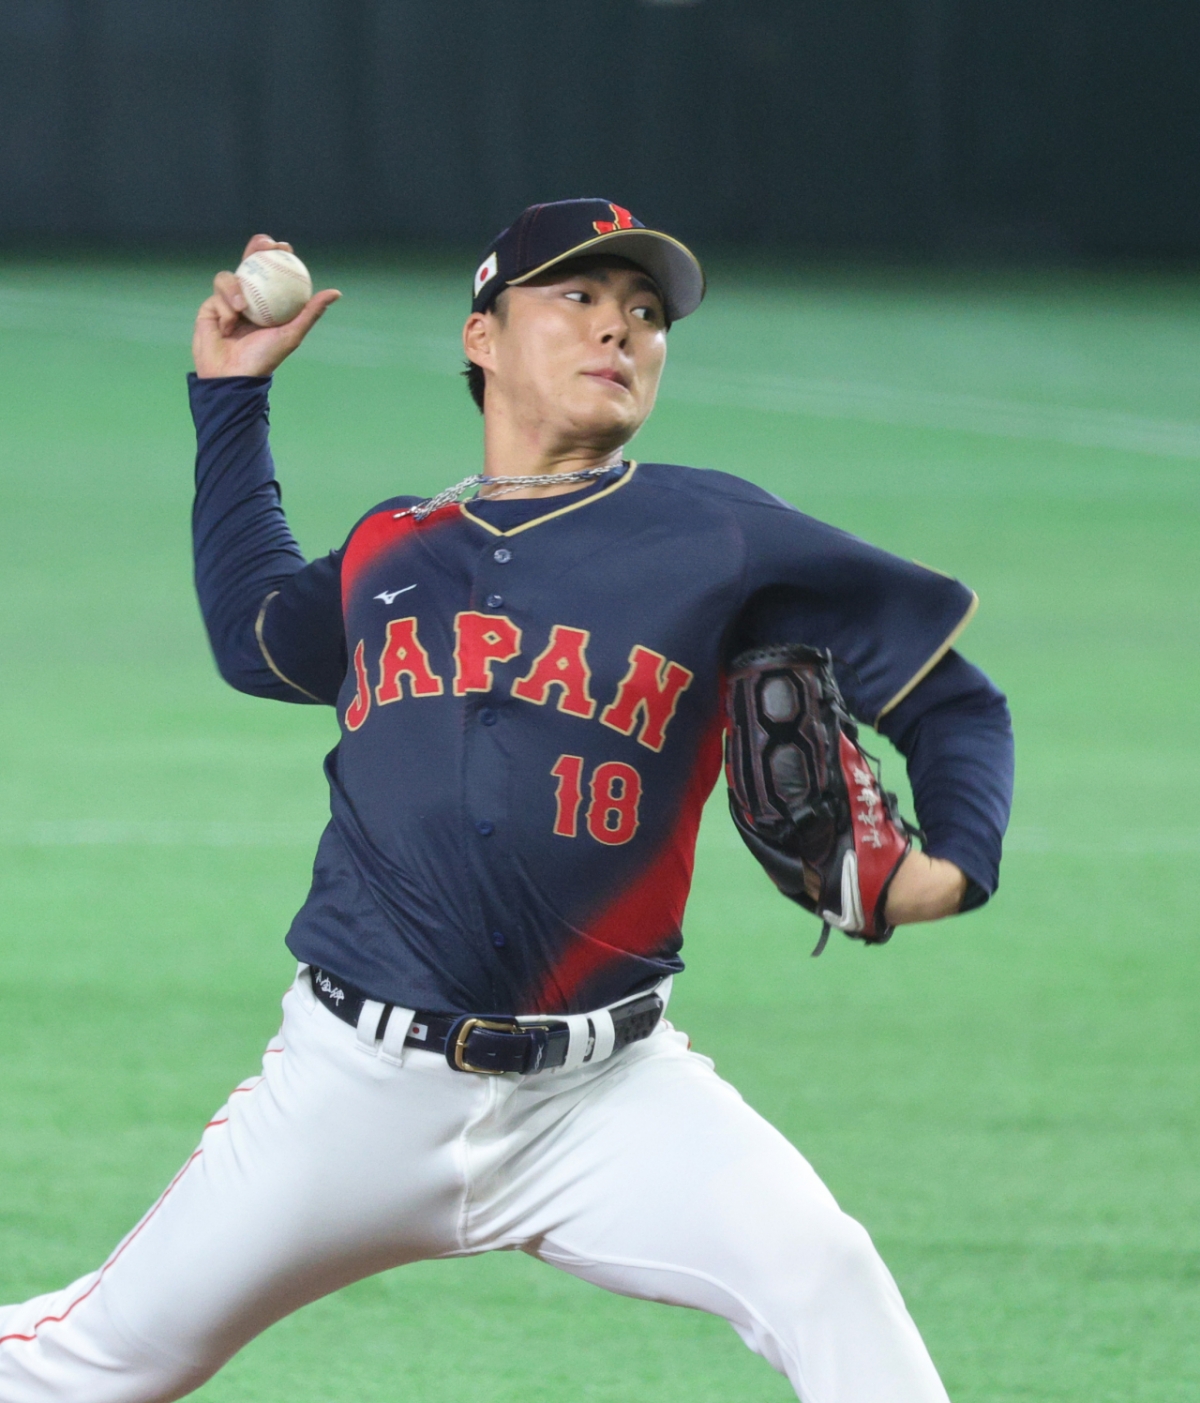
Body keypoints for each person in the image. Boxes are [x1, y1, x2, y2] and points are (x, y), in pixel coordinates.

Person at [0, 200, 1013, 1402]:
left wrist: (954, 863)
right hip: (351, 1091)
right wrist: (231, 397)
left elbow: (954, 700)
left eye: (646, 312)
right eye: (577, 297)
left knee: (825, 1274)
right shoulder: (396, 545)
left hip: (608, 1096)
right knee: (86, 1362)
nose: (620, 329)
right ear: (482, 337)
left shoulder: (717, 534)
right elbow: (253, 633)